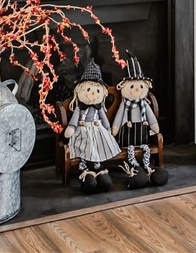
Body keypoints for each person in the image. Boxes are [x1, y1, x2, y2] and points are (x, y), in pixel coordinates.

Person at [111, 51, 167, 189]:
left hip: (142, 136)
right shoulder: (125, 104)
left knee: (145, 145)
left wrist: (154, 126)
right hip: (127, 138)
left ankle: (147, 169)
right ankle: (138, 170)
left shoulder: (144, 103)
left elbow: (152, 119)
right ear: (123, 87)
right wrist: (114, 130)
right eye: (132, 86)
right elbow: (118, 117)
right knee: (129, 146)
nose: (136, 90)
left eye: (140, 86)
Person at [64, 59, 119, 194]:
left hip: (97, 130)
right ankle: (84, 170)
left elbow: (105, 120)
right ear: (80, 90)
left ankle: (98, 168)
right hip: (82, 130)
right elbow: (74, 121)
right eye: (88, 89)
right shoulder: (79, 107)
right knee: (84, 146)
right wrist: (71, 128)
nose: (93, 94)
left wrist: (108, 130)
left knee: (98, 147)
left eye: (96, 90)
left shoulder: (99, 107)